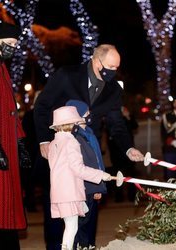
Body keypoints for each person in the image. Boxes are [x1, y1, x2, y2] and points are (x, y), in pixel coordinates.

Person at [33, 44, 144, 250]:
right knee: (62, 203)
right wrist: (44, 140)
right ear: (96, 61)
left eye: (116, 68)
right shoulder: (67, 75)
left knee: (90, 202)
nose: (112, 72)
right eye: (109, 66)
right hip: (59, 150)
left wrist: (128, 148)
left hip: (88, 150)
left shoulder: (113, 90)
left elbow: (116, 123)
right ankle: (58, 246)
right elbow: (41, 107)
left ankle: (86, 245)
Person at [48, 106, 111, 250]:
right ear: (71, 124)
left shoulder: (53, 144)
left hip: (59, 192)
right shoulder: (71, 142)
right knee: (72, 228)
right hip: (70, 192)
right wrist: (101, 175)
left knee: (71, 224)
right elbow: (78, 169)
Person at [0, 22, 27, 249]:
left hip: (7, 145)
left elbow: (11, 110)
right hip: (0, 146)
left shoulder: (2, 68)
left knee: (8, 203)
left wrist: (20, 141)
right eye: (9, 43)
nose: (12, 48)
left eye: (14, 45)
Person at [66, 99, 108, 249]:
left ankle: (86, 245)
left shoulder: (89, 133)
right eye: (86, 112)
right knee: (80, 224)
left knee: (88, 221)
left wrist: (100, 186)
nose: (90, 114)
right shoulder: (76, 137)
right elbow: (83, 166)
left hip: (93, 185)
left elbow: (97, 160)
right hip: (83, 188)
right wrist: (94, 187)